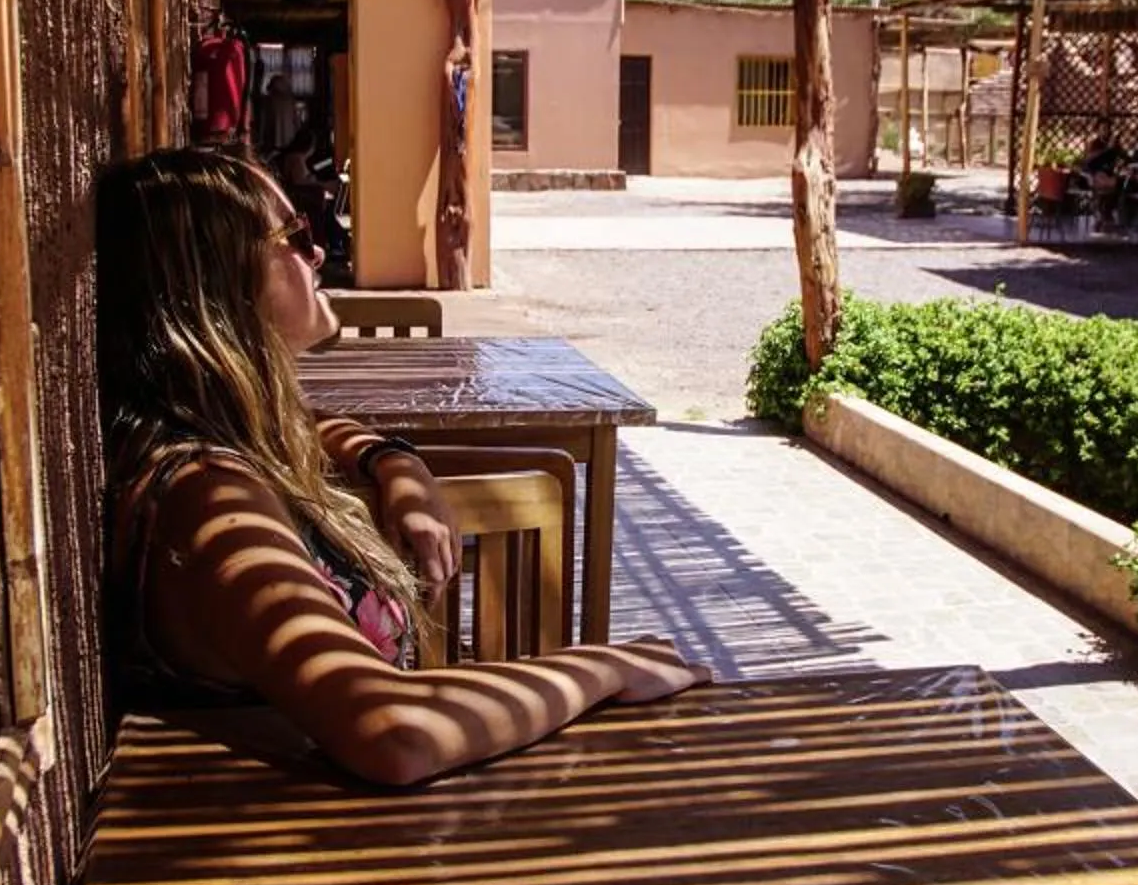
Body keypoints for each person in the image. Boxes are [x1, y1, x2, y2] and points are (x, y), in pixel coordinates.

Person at [98, 146, 699, 783]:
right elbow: (395, 734)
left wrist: (395, 462)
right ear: (219, 279)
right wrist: (606, 667)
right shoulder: (209, 499)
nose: (319, 252)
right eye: (294, 236)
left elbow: (311, 426)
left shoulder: (224, 439)